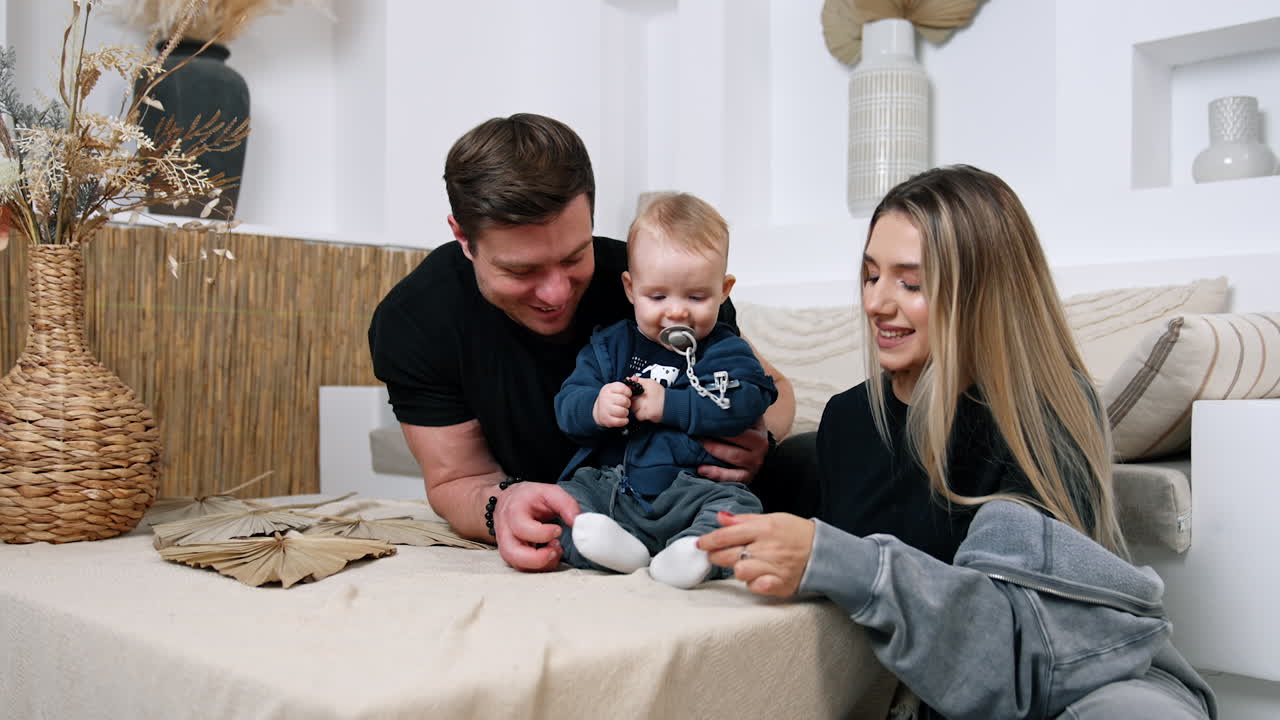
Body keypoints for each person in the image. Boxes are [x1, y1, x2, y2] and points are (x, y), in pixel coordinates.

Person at [697, 166, 1216, 719]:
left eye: (911, 283)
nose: (877, 302)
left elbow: (1019, 653)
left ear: (981, 290)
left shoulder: (1042, 417)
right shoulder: (848, 421)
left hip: (1061, 685)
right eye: (871, 276)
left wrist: (839, 560)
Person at [367, 113, 795, 573]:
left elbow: (776, 393)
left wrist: (755, 437)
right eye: (521, 270)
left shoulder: (657, 285)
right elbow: (460, 479)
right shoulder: (416, 319)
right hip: (586, 500)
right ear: (463, 237)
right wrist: (504, 507)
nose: (555, 293)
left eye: (574, 257)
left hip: (684, 485)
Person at [553, 192, 777, 589]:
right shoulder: (609, 347)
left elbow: (749, 396)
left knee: (741, 508)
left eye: (696, 296)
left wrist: (669, 404)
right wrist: (595, 407)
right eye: (657, 296)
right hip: (613, 488)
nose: (677, 312)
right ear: (630, 288)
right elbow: (566, 405)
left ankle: (694, 552)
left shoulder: (724, 348)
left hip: (694, 490)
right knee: (564, 503)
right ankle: (613, 549)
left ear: (724, 290)